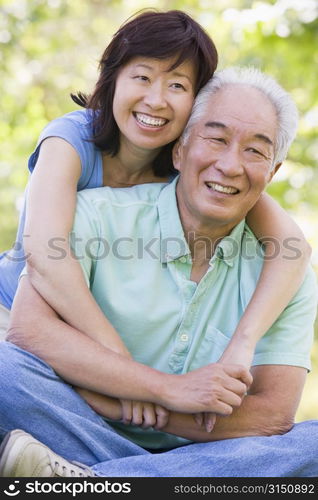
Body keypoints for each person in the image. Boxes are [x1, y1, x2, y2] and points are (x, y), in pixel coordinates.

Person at [0, 66, 317, 478]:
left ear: (272, 173)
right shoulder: (96, 214)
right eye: (216, 139)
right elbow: (29, 331)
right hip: (80, 422)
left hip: (198, 449)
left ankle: (95, 480)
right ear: (179, 151)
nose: (231, 165)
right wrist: (168, 389)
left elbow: (271, 415)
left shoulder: (285, 268)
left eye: (255, 151)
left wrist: (136, 407)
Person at [0, 10, 311, 375]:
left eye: (177, 85)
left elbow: (292, 249)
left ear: (196, 101)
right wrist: (120, 361)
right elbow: (45, 257)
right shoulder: (70, 141)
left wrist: (242, 344)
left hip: (85, 344)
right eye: (142, 77)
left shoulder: (196, 164)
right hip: (15, 316)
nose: (156, 99)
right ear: (112, 79)